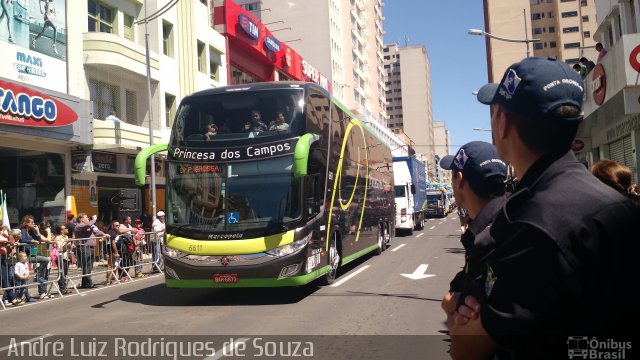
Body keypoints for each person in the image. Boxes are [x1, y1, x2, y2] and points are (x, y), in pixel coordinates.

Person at [449, 56, 639, 359]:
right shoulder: (615, 203)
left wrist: (464, 316)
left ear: (503, 124)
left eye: (494, 112)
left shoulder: (532, 225)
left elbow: (468, 348)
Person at [438, 141, 507, 331]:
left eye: (451, 176)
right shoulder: (506, 218)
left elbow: (466, 347)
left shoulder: (489, 239)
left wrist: (451, 304)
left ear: (459, 179)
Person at [18, 215, 51, 299]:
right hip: (24, 256)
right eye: (31, 222)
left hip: (31, 255)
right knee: (24, 275)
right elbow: (23, 240)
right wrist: (31, 241)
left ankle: (38, 276)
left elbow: (39, 239)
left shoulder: (32, 231)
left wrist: (37, 231)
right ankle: (25, 296)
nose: (33, 223)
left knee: (45, 260)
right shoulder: (23, 230)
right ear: (26, 223)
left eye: (33, 222)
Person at [73, 213, 108, 289]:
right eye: (86, 217)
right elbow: (88, 225)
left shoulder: (89, 225)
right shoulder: (79, 226)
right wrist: (94, 219)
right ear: (81, 219)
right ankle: (88, 282)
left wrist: (104, 234)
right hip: (84, 248)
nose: (88, 218)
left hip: (90, 248)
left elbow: (96, 231)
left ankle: (85, 283)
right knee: (86, 266)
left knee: (89, 266)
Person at [52, 224, 71, 294]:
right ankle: (61, 288)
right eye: (65, 228)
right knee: (61, 272)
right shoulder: (58, 238)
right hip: (60, 257)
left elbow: (68, 247)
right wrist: (66, 243)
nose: (67, 229)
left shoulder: (66, 236)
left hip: (66, 256)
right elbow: (60, 248)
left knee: (65, 272)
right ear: (61, 231)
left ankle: (64, 287)